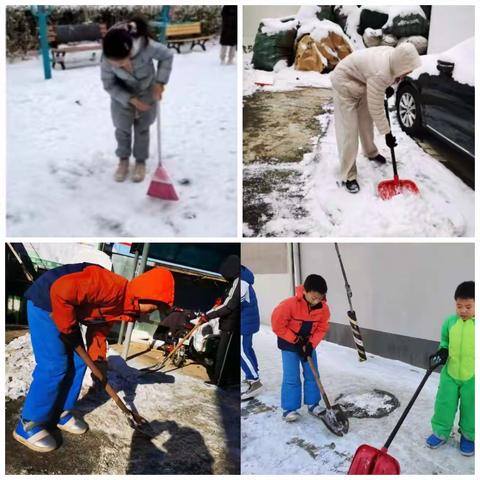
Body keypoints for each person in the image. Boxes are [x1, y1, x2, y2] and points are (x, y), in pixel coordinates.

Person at [13, 263, 174, 452]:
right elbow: (60, 290)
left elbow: (98, 332)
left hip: (65, 312)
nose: (150, 313)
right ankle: (29, 424)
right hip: (45, 303)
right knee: (55, 366)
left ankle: (61, 411)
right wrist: (68, 329)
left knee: (80, 362)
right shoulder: (110, 286)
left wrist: (98, 363)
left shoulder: (123, 308)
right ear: (146, 294)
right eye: (154, 307)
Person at [330, 42, 421, 193]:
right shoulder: (380, 73)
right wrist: (387, 133)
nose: (407, 73)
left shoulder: (394, 56)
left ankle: (370, 152)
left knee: (366, 121)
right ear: (400, 65)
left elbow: (382, 79)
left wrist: (388, 87)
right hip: (344, 82)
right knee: (349, 131)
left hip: (362, 81)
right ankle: (348, 175)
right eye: (407, 70)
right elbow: (377, 108)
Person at [101, 17, 174, 183]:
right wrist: (131, 99)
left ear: (130, 52)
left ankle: (140, 162)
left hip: (147, 92)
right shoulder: (107, 57)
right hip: (121, 97)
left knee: (142, 129)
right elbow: (109, 84)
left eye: (120, 62)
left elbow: (167, 56)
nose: (117, 65)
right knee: (122, 129)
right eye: (114, 63)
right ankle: (123, 161)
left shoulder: (146, 47)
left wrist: (159, 83)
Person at [271, 274, 330, 422]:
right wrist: (295, 340)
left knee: (312, 374)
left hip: (308, 344)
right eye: (314, 297)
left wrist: (311, 344)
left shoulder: (323, 308)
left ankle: (313, 404)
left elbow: (322, 328)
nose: (317, 300)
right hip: (289, 343)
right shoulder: (289, 305)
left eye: (320, 297)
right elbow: (277, 325)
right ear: (305, 291)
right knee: (292, 376)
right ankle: (290, 409)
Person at [426, 281, 475, 456]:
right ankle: (440, 431)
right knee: (444, 404)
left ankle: (469, 436)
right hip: (450, 374)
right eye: (459, 306)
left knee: (472, 408)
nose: (463, 310)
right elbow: (445, 340)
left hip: (473, 377)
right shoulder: (449, 322)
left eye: (468, 306)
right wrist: (443, 350)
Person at [203, 254, 240, 388]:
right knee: (224, 352)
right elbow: (226, 301)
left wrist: (208, 316)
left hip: (232, 325)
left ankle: (219, 381)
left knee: (223, 354)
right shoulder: (233, 282)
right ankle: (225, 379)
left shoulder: (238, 282)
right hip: (229, 324)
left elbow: (229, 305)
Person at [240, 264, 262, 400]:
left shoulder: (242, 283)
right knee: (247, 348)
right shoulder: (245, 279)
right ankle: (253, 374)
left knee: (242, 351)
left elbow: (237, 303)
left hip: (245, 322)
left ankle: (254, 379)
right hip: (248, 321)